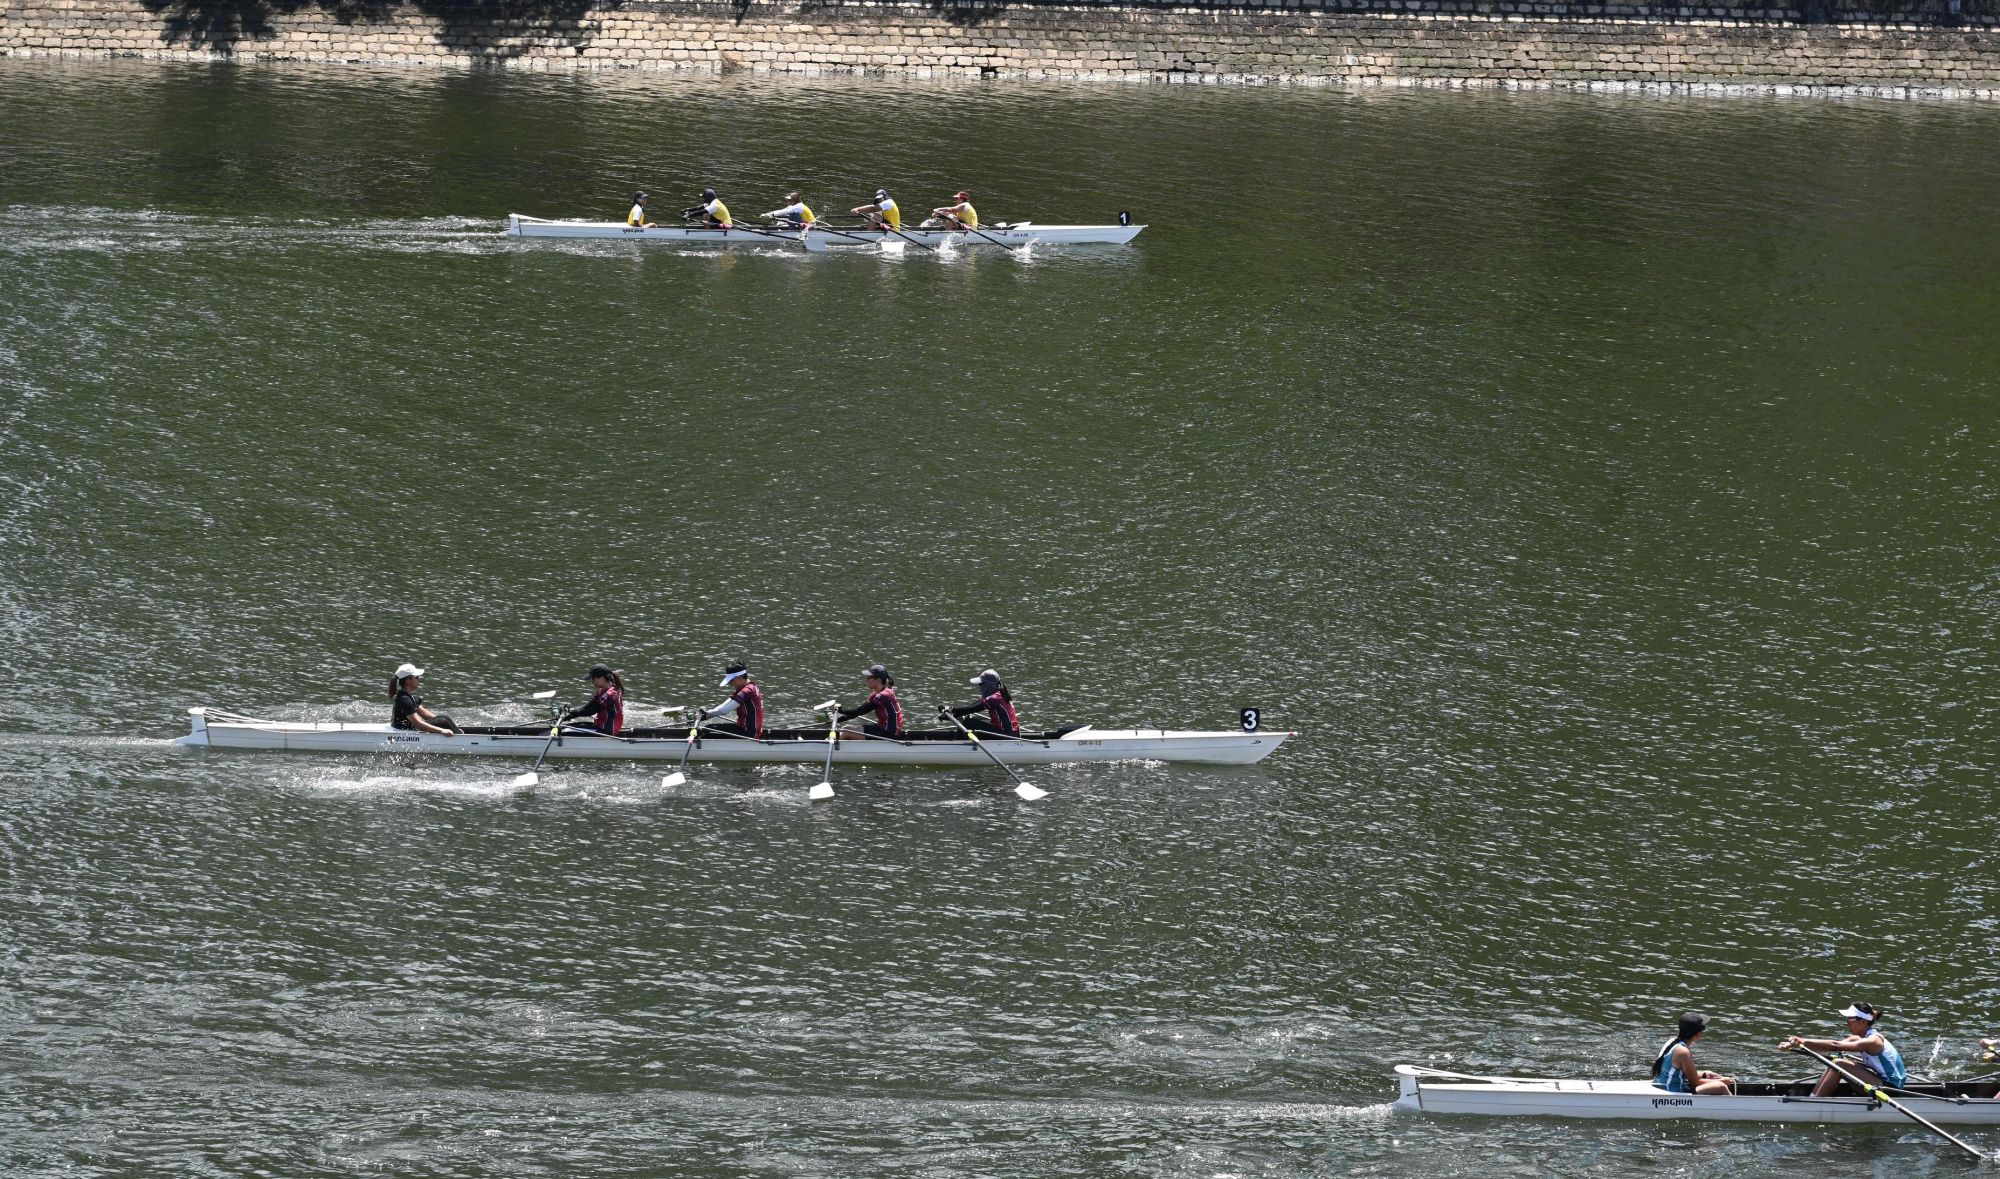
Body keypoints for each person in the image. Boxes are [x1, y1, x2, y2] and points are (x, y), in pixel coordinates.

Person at [1784, 1002, 1906, 1096]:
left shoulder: (1873, 1041)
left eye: (1850, 1019)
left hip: (1891, 1089)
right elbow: (1828, 1049)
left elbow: (1835, 1045)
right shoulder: (1857, 1038)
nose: (1847, 1022)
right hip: (1879, 1082)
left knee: (1839, 1064)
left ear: (1863, 1022)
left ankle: (1815, 1104)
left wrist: (1802, 1040)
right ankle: (1813, 1097)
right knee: (1835, 1062)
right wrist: (1794, 1046)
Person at [1651, 1011, 1734, 1096]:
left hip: (1662, 1086)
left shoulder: (1672, 1041)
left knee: (1716, 1083)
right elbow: (1695, 1083)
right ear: (1698, 1034)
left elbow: (1679, 1073)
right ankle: (1735, 1103)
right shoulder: (1683, 1052)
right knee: (1721, 1086)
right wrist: (1722, 1081)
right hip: (1672, 1091)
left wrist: (1704, 1074)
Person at [695, 662, 765, 738]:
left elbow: (724, 711)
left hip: (749, 732)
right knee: (709, 727)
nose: (731, 684)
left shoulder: (747, 691)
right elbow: (723, 706)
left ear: (739, 677)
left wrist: (707, 713)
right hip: (744, 727)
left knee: (707, 731)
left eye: (731, 681)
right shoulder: (745, 687)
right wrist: (706, 716)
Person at [835, 664, 905, 739]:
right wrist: (836, 720)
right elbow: (855, 714)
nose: (867, 679)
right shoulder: (875, 694)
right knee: (845, 728)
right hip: (881, 728)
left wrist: (842, 711)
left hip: (888, 733)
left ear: (879, 680)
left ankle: (835, 745)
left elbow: (859, 711)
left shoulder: (884, 695)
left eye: (869, 677)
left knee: (845, 731)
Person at [942, 668, 1019, 737]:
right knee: (968, 719)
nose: (980, 686)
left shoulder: (994, 698)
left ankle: (956, 744)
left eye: (981, 684)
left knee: (968, 722)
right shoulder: (998, 693)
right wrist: (950, 715)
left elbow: (972, 709)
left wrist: (951, 709)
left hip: (1007, 735)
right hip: (1010, 732)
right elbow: (969, 708)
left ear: (988, 685)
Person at [387, 662, 460, 735]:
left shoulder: (409, 696)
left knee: (444, 718)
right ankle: (461, 736)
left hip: (411, 728)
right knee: (443, 722)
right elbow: (417, 724)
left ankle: (459, 733)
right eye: (416, 677)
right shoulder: (404, 699)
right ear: (408, 680)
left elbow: (426, 715)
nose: (419, 679)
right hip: (404, 732)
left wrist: (442, 722)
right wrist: (442, 730)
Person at [562, 664, 626, 736]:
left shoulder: (611, 694)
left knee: (564, 732)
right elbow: (588, 706)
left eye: (593, 679)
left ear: (601, 678)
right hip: (599, 726)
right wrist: (570, 714)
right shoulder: (601, 690)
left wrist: (574, 712)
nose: (592, 682)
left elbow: (591, 711)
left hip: (606, 730)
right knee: (566, 727)